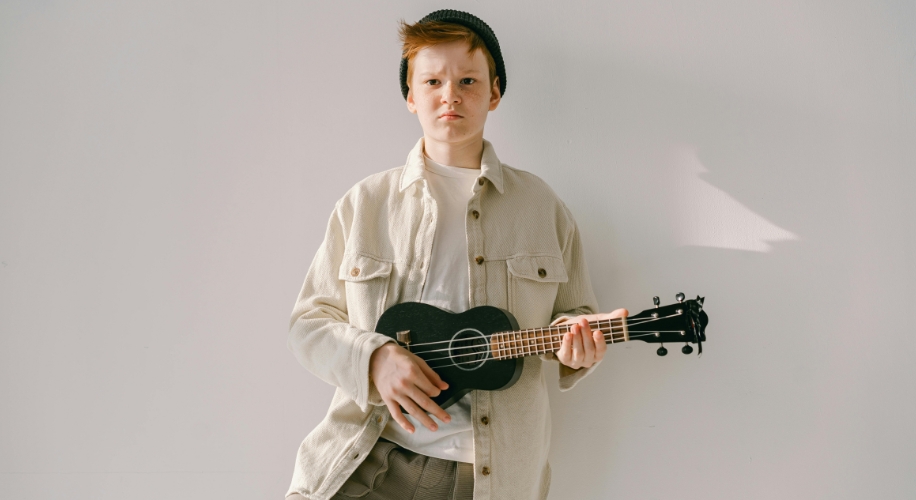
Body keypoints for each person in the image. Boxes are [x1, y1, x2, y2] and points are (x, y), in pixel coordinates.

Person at [285, 9, 627, 500]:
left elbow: (573, 316)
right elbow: (307, 324)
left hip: (487, 480)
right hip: (366, 459)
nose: (450, 94)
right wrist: (374, 359)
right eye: (432, 81)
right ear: (410, 96)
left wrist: (577, 346)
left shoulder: (541, 208)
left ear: (493, 93)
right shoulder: (365, 204)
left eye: (468, 80)